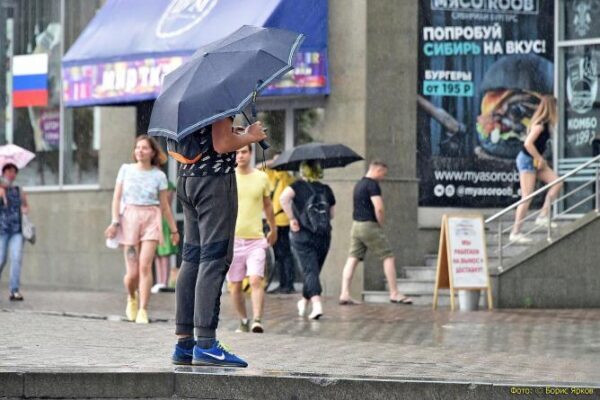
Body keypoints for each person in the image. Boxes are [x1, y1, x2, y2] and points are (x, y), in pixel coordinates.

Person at [170, 117, 266, 368]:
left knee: (192, 259)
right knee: (214, 258)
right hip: (213, 182)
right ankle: (206, 344)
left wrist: (234, 132)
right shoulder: (219, 99)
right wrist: (250, 136)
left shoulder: (193, 100)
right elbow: (222, 144)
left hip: (187, 179)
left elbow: (209, 138)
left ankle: (184, 344)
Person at [104, 135, 179, 324]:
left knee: (145, 266)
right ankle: (132, 296)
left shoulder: (159, 176)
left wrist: (173, 230)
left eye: (144, 148)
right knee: (132, 274)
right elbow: (116, 198)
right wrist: (114, 222)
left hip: (151, 219)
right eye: (137, 148)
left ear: (153, 152)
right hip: (129, 218)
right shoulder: (125, 170)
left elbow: (164, 206)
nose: (140, 151)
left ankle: (143, 310)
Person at [338, 160, 413, 305]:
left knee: (352, 258)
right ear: (377, 170)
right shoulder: (373, 185)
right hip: (369, 225)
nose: (383, 177)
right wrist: (380, 222)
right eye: (383, 174)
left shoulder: (359, 184)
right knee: (388, 257)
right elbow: (379, 208)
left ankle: (344, 293)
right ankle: (394, 293)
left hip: (356, 226)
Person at [227, 144, 276, 334]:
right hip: (233, 240)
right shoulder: (228, 177)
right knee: (235, 285)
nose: (240, 155)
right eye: (237, 152)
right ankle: (243, 320)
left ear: (251, 153)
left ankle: (257, 320)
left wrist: (273, 228)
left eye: (244, 151)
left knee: (256, 279)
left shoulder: (261, 177)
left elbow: (268, 206)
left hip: (256, 239)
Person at [280, 160, 335, 320]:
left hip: (302, 235)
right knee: (313, 270)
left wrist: (292, 218)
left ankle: (310, 302)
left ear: (303, 170)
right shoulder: (326, 190)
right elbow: (332, 215)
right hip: (323, 236)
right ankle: (310, 303)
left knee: (311, 271)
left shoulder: (296, 186)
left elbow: (283, 199)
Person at [510, 95, 561, 244]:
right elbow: (528, 144)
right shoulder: (539, 125)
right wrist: (539, 158)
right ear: (551, 108)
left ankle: (543, 216)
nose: (558, 110)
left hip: (534, 160)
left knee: (557, 182)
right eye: (556, 107)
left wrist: (539, 159)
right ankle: (515, 232)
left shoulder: (545, 124)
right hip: (527, 159)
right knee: (527, 196)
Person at [263, 154, 296, 294]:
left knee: (284, 253)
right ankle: (284, 283)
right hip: (273, 220)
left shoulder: (286, 177)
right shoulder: (272, 175)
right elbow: (260, 167)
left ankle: (287, 284)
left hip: (282, 221)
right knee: (279, 253)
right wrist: (273, 161)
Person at [0, 163, 29, 301]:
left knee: (16, 258)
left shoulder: (19, 189)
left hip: (17, 230)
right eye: (9, 171)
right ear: (4, 173)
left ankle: (14, 290)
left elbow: (25, 206)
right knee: (0, 259)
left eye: (14, 172)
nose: (12, 174)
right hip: (2, 230)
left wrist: (25, 207)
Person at [151, 180, 179, 294]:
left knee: (164, 253)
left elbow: (166, 204)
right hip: (153, 220)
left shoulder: (167, 184)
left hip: (164, 221)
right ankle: (159, 282)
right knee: (157, 254)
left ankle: (164, 282)